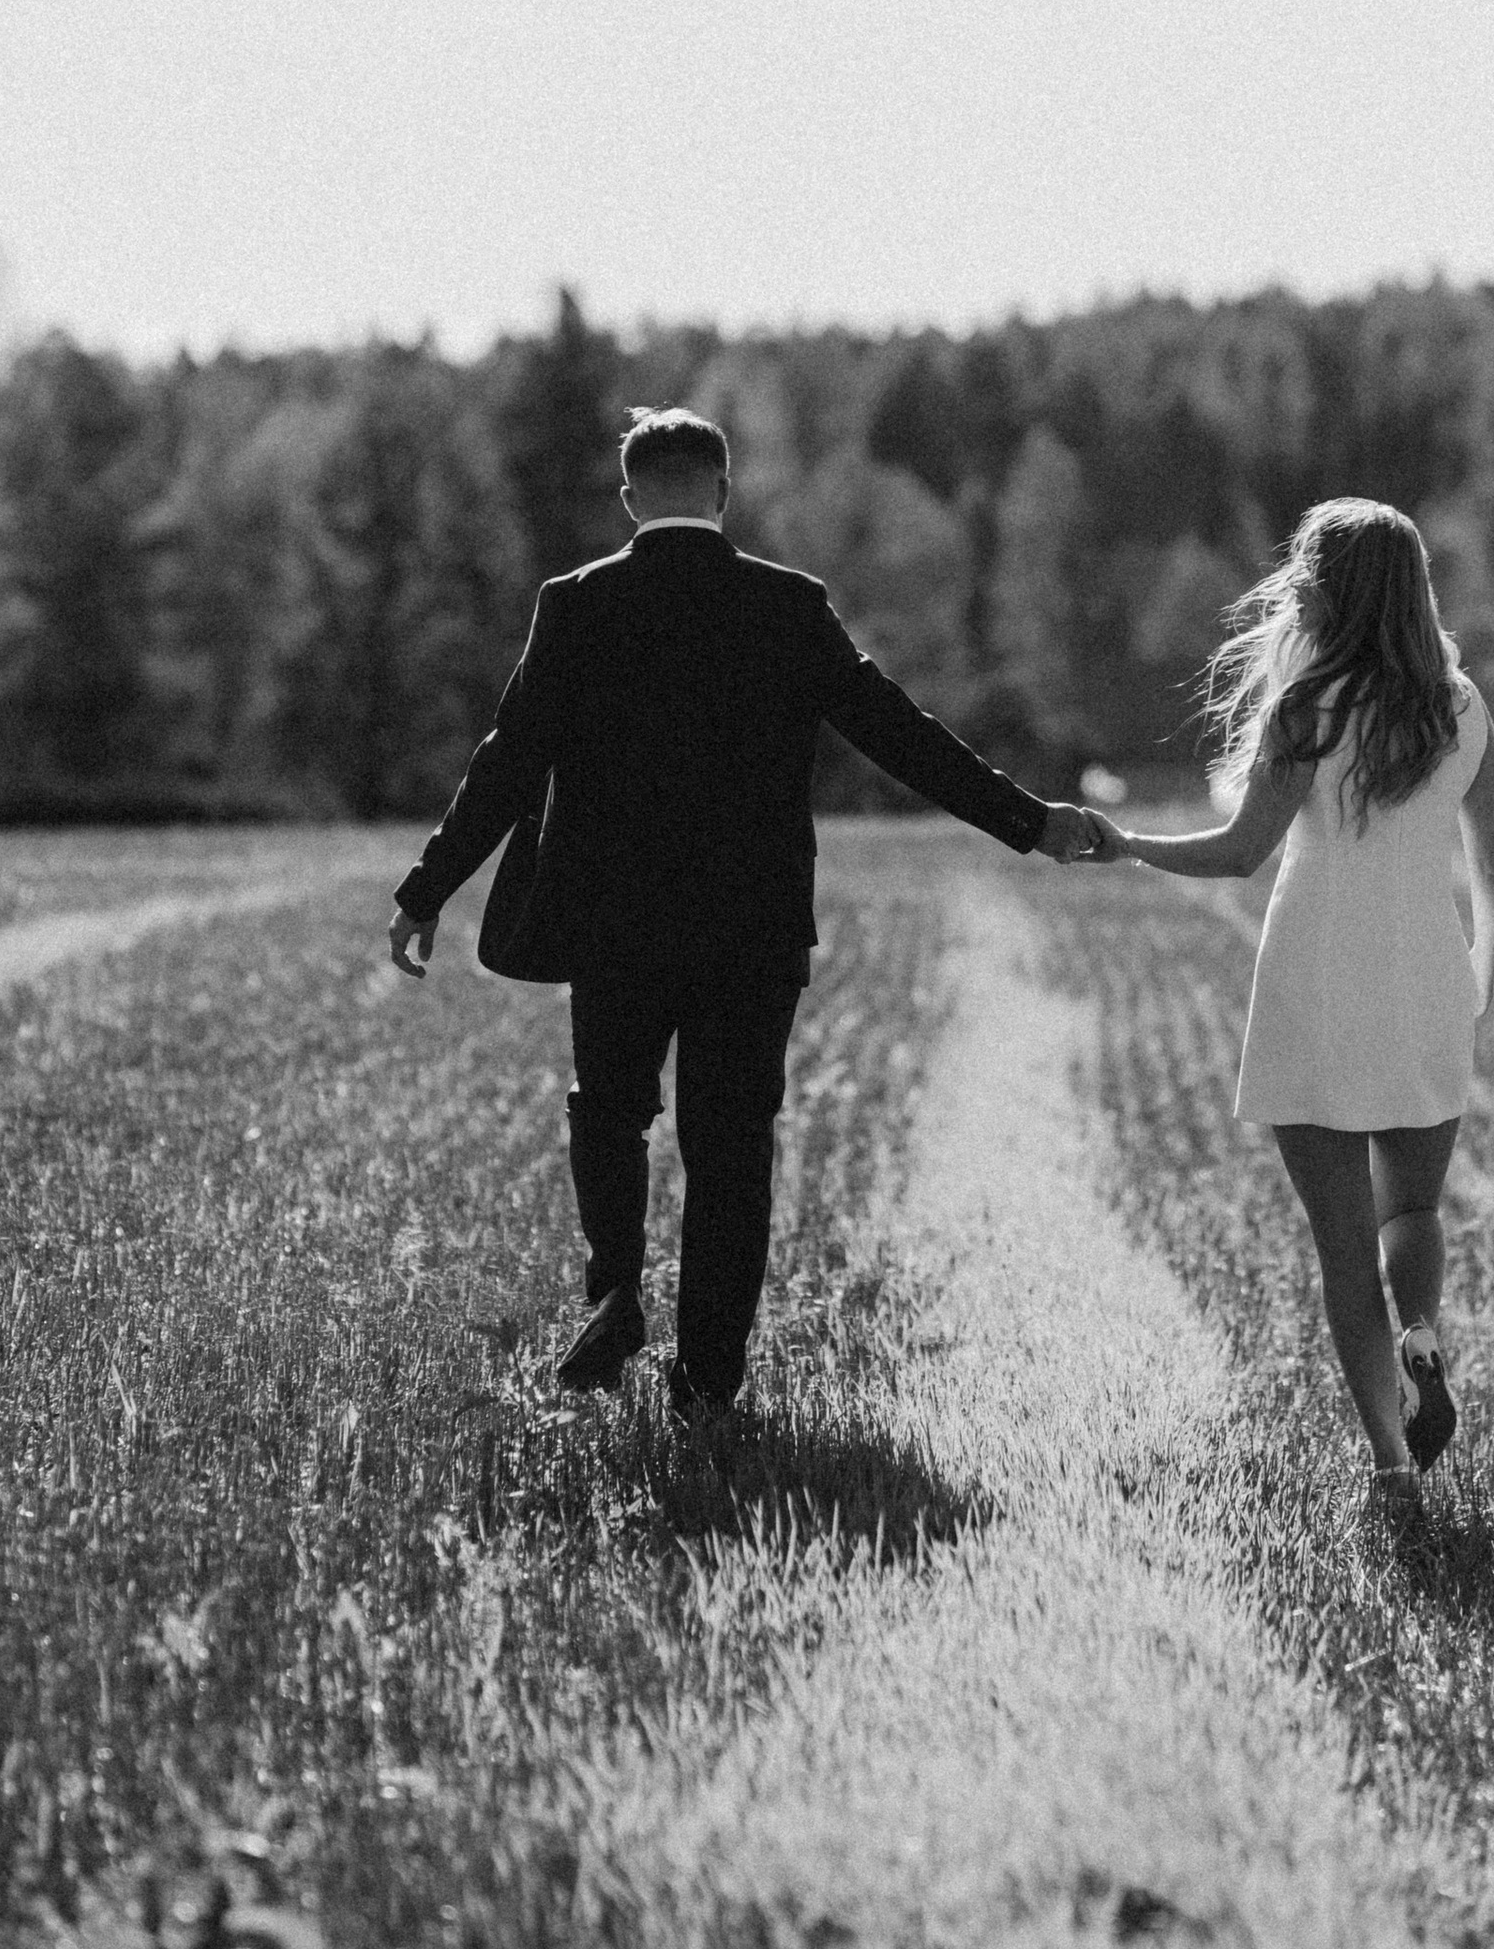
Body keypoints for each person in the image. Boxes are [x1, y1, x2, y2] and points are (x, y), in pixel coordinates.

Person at [387, 405, 1099, 1415]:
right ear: (722, 492)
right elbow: (902, 737)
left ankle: (617, 1285)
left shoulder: (576, 605)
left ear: (631, 498)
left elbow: (508, 762)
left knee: (609, 1110)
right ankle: (708, 1386)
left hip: (615, 924)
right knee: (731, 1153)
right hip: (751, 931)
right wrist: (1030, 822)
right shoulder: (787, 607)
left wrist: (426, 890)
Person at [1087, 500, 1494, 1497]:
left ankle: (1392, 1464)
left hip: (1318, 972)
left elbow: (1239, 853)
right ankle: (1422, 1333)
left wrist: (1127, 842)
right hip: (1428, 974)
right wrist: (1476, 976)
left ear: (1320, 591)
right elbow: (1492, 864)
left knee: (1340, 1249)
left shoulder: (1306, 707)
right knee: (1411, 1206)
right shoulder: (1461, 706)